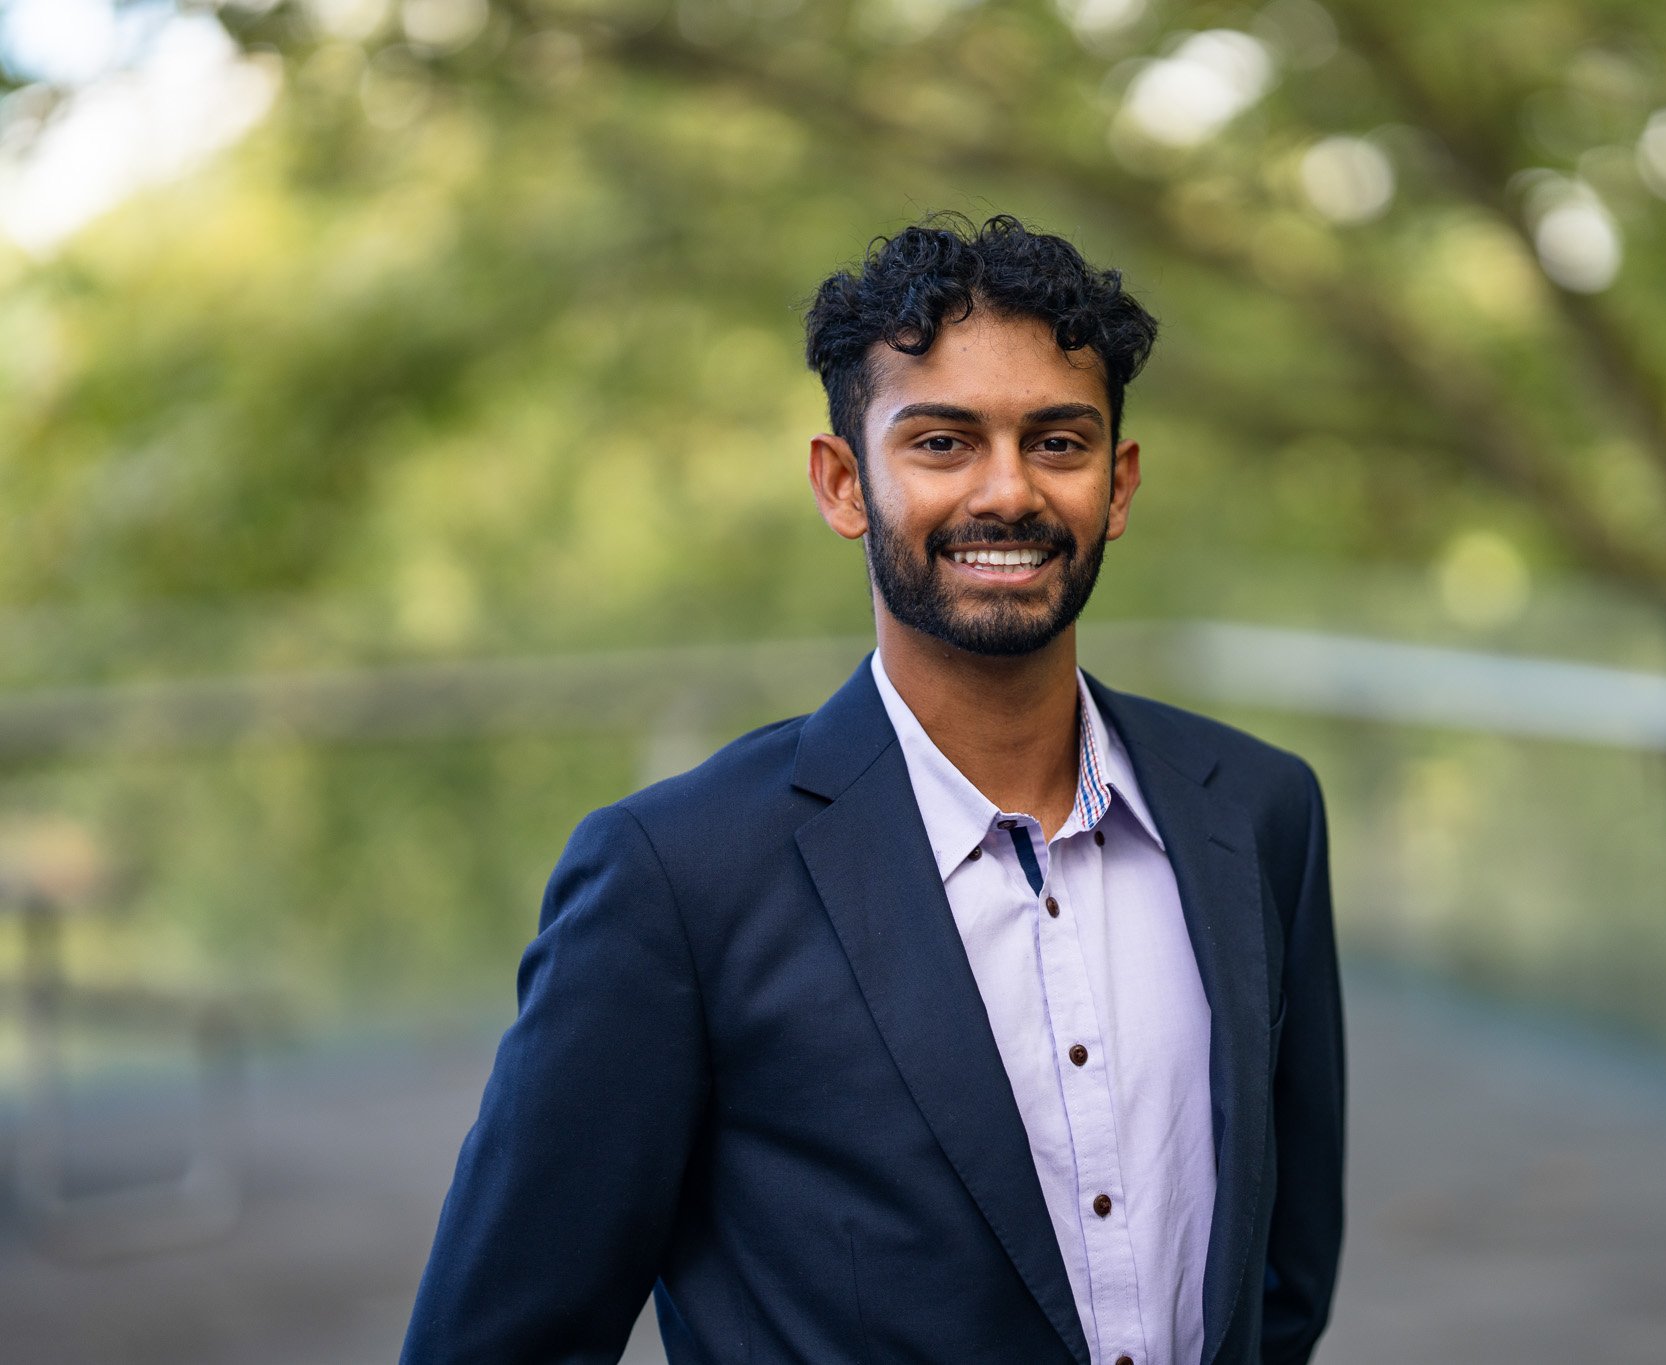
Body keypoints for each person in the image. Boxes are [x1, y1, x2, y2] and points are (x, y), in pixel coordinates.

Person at [400, 214, 1344, 1365]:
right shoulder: (677, 879)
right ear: (842, 482)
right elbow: (496, 1339)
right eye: (942, 444)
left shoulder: (1257, 812)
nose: (1009, 492)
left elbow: (1281, 1284)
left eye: (1057, 443)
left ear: (1120, 483)